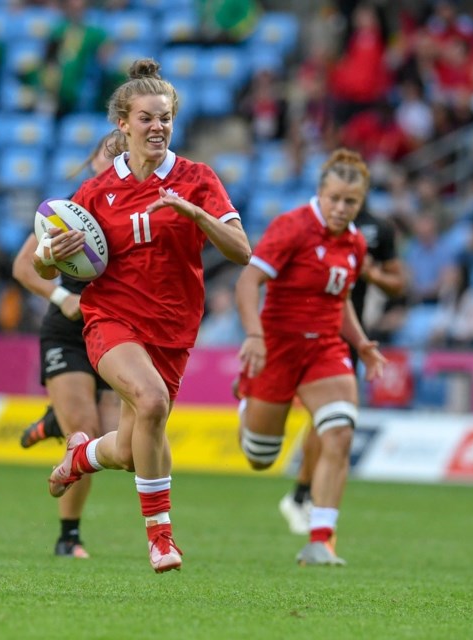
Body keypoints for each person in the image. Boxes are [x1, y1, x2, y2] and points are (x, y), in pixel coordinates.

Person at [33, 58, 251, 573]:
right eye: (147, 118)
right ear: (123, 124)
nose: (157, 127)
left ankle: (82, 456)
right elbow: (44, 262)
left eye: (165, 118)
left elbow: (242, 250)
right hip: (112, 320)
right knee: (150, 401)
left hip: (174, 329)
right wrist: (50, 252)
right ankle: (160, 538)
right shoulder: (94, 193)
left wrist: (196, 215)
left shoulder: (199, 179)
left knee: (132, 450)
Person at [235, 148, 386, 566]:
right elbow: (249, 282)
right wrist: (254, 335)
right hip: (278, 348)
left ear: (360, 202)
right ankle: (247, 400)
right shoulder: (291, 227)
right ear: (320, 192)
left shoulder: (354, 241)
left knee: (339, 432)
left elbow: (342, 301)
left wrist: (361, 343)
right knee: (260, 457)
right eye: (334, 198)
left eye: (350, 201)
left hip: (324, 348)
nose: (340, 208)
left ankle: (321, 539)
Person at [12, 132, 125, 559]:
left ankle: (51, 422)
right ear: (92, 158)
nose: (113, 158)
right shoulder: (69, 210)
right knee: (87, 433)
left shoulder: (138, 208)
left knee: (117, 442)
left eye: (121, 153)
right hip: (69, 331)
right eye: (107, 151)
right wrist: (64, 297)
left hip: (117, 332)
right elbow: (25, 266)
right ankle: (69, 537)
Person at [277, 197, 406, 536]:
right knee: (328, 420)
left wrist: (372, 273)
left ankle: (305, 499)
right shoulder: (305, 226)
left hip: (349, 332)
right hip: (310, 331)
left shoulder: (376, 231)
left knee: (333, 421)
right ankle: (306, 499)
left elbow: (399, 283)